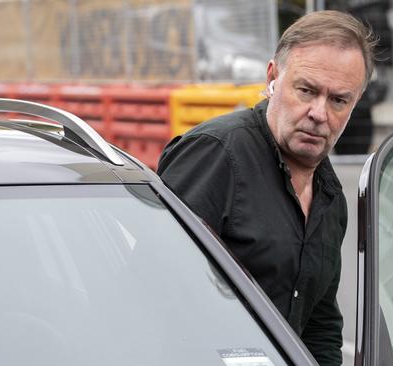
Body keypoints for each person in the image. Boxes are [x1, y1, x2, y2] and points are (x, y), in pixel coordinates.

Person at [157, 10, 376, 366]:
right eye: (306, 90)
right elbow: (153, 291)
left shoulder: (330, 194)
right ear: (273, 77)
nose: (319, 113)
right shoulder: (217, 154)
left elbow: (320, 324)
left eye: (338, 100)